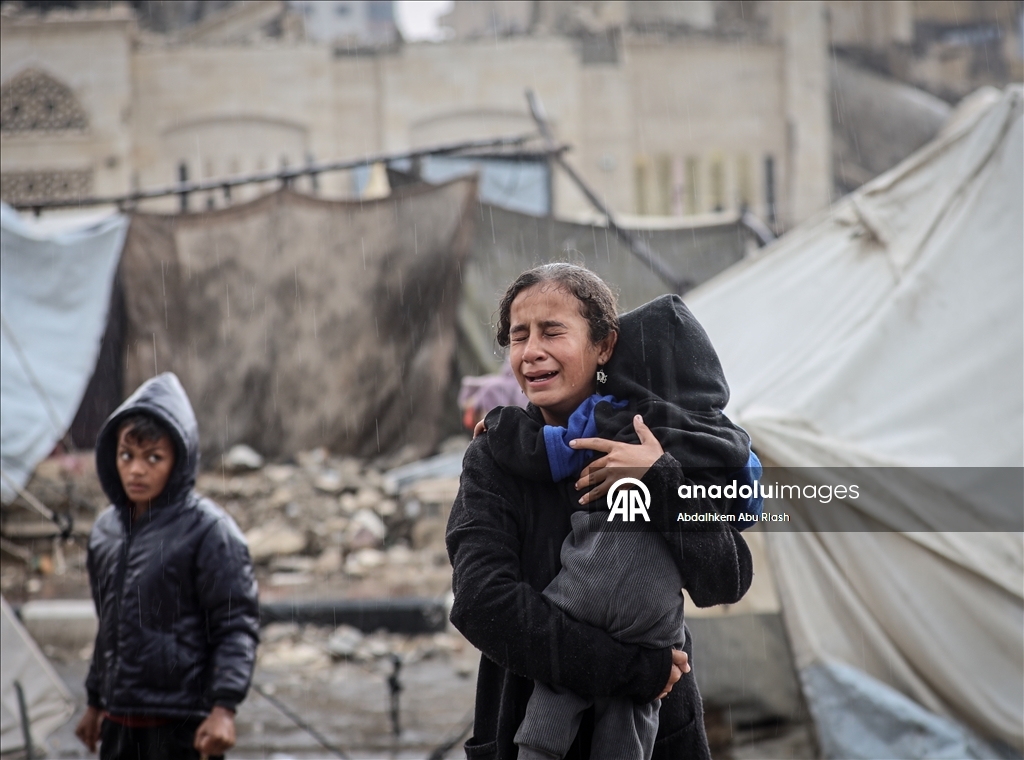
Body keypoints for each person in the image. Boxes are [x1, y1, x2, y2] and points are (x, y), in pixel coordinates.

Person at [446, 264, 754, 759]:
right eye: (519, 336)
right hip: (526, 727)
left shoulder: (652, 440)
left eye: (552, 332)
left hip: (661, 737)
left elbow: (725, 579)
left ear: (604, 345)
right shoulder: (496, 456)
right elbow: (483, 604)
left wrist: (659, 480)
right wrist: (633, 671)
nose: (531, 352)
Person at [75, 372, 259, 760]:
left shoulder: (210, 531)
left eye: (153, 458)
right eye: (127, 455)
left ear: (178, 460)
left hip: (181, 724)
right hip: (119, 722)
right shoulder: (106, 531)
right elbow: (109, 627)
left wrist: (225, 709)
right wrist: (94, 702)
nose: (136, 470)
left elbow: (235, 626)